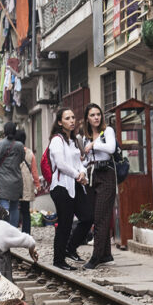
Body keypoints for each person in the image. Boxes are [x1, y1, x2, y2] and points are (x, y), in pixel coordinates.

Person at [47, 107, 93, 270]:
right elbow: (60, 164)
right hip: (62, 186)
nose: (72, 121)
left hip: (76, 183)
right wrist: (77, 174)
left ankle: (70, 248)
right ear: (60, 122)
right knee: (65, 223)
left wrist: (82, 171)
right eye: (67, 118)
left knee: (88, 217)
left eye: (73, 117)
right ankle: (58, 260)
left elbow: (79, 160)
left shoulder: (74, 140)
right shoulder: (56, 140)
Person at [79, 103, 117, 269]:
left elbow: (111, 148)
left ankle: (95, 257)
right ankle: (105, 255)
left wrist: (94, 144)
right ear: (87, 118)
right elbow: (84, 160)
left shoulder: (107, 131)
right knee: (97, 215)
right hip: (91, 176)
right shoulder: (85, 136)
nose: (96, 117)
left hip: (106, 174)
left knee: (101, 216)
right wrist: (81, 169)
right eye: (92, 115)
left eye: (98, 114)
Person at [0, 122, 25, 226]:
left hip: (2, 181)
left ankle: (4, 229)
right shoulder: (20, 146)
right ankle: (13, 231)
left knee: (4, 207)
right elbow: (21, 159)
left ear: (4, 132)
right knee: (15, 207)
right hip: (16, 180)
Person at [15, 129, 40, 234]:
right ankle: (26, 233)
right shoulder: (30, 153)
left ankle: (13, 233)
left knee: (14, 209)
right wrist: (37, 184)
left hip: (15, 183)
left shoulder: (13, 152)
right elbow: (34, 171)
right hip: (27, 184)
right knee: (26, 210)